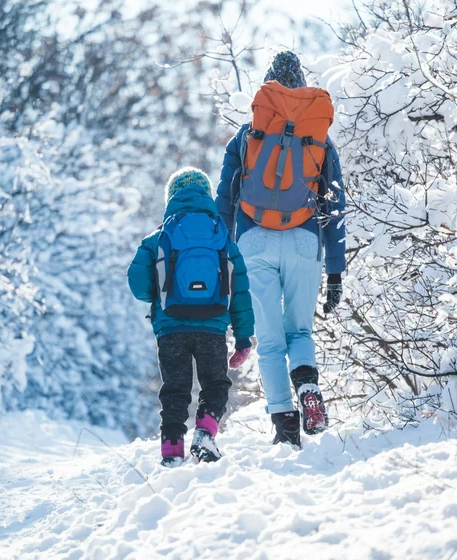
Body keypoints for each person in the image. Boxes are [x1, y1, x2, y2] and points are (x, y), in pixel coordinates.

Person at [215, 51, 346, 446]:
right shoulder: (319, 138)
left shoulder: (246, 136)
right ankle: (307, 386)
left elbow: (225, 201)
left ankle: (285, 428)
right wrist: (335, 271)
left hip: (254, 241)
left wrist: (223, 260)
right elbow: (335, 206)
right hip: (304, 240)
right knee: (300, 331)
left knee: (270, 342)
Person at [127, 168, 255, 466]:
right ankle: (205, 433)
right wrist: (243, 338)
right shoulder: (222, 237)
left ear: (171, 197)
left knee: (175, 390)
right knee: (216, 384)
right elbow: (240, 291)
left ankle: (171, 451)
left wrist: (160, 293)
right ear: (206, 195)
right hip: (213, 326)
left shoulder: (158, 237)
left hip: (171, 327)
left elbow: (137, 284)